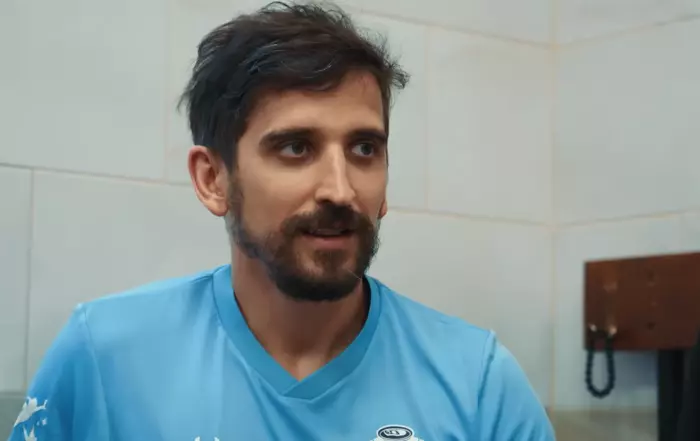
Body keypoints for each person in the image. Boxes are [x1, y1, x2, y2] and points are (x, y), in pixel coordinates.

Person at [8, 2, 555, 440]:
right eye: (296, 147)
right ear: (213, 179)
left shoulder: (478, 383)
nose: (341, 189)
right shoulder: (105, 358)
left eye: (364, 149)